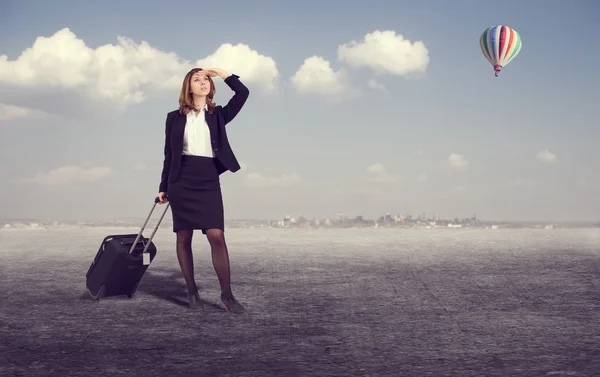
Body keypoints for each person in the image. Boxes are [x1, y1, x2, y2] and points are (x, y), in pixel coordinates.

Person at [157, 67, 249, 313]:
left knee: (216, 235)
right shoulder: (173, 118)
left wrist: (223, 73)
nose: (203, 82)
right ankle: (192, 292)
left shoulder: (218, 115)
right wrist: (163, 187)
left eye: (206, 79)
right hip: (181, 179)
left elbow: (243, 93)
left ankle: (227, 296)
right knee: (183, 236)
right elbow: (169, 154)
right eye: (197, 79)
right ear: (188, 86)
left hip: (207, 178)